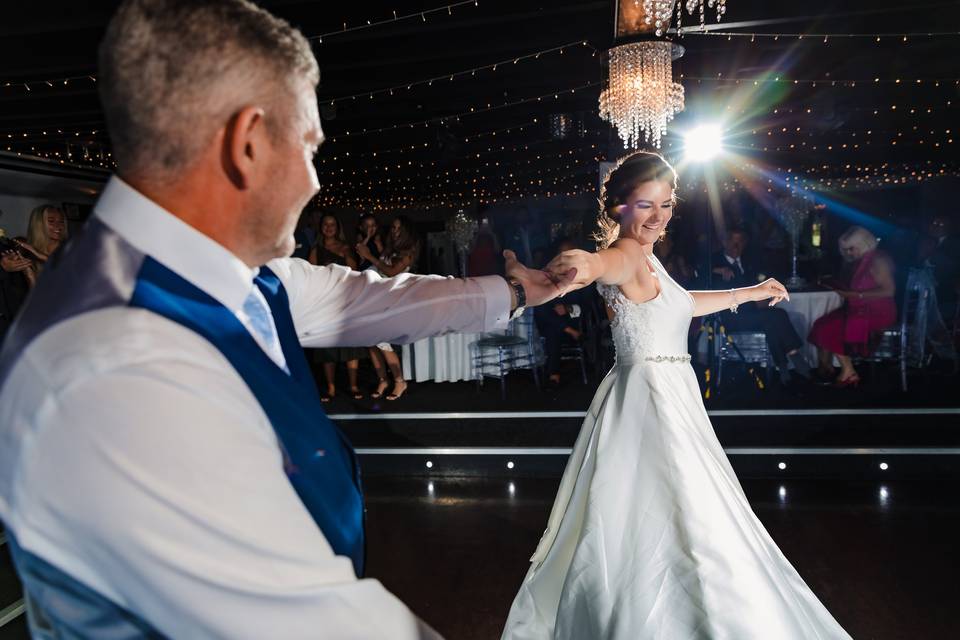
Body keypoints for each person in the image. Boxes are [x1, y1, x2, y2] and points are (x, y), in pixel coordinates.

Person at [0, 2, 572, 638]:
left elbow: (380, 300)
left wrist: (516, 293)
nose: (312, 182)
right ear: (246, 144)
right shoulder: (117, 366)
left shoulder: (234, 272)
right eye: (309, 149)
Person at [502, 151, 851, 639]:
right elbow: (600, 264)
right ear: (618, 208)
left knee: (681, 514)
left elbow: (681, 305)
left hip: (669, 394)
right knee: (675, 514)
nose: (660, 217)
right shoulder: (624, 255)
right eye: (646, 205)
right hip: (650, 403)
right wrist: (581, 265)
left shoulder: (647, 258)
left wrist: (747, 292)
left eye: (666, 205)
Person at [710, 228, 811, 384]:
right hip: (731, 316)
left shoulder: (748, 262)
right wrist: (716, 270)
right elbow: (697, 272)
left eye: (741, 242)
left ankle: (783, 367)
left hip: (752, 313)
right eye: (734, 242)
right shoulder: (715, 262)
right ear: (725, 242)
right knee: (777, 316)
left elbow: (759, 281)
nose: (737, 246)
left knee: (771, 321)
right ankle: (794, 357)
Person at [809, 226, 897, 387]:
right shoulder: (861, 260)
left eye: (851, 248)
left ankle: (848, 372)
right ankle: (826, 368)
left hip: (877, 311)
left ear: (864, 244)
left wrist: (857, 295)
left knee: (829, 327)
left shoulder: (878, 259)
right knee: (820, 324)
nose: (849, 253)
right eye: (846, 249)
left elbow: (889, 290)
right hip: (860, 309)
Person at [356, 215, 420, 401]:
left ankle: (399, 381)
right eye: (393, 227)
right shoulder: (389, 249)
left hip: (391, 299)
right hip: (376, 297)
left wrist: (370, 257)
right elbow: (378, 267)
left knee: (383, 343)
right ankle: (383, 379)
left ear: (406, 232)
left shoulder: (408, 252)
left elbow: (391, 272)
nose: (394, 231)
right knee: (371, 342)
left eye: (398, 228)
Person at [308, 214, 367, 401]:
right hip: (325, 301)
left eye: (332, 224)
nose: (329, 227)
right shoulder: (316, 249)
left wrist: (346, 255)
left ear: (337, 227)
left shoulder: (345, 247)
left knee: (350, 346)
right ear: (321, 227)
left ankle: (353, 385)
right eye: (325, 224)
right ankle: (331, 388)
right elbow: (309, 275)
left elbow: (355, 270)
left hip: (345, 300)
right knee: (328, 347)